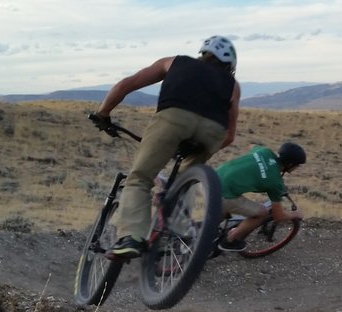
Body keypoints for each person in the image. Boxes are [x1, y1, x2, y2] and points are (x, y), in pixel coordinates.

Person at [91, 35, 241, 259]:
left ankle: (131, 237)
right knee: (182, 180)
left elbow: (126, 85)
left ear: (203, 53)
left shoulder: (172, 62)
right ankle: (174, 229)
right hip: (213, 131)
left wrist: (103, 113)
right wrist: (199, 155)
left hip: (172, 120)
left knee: (140, 178)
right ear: (230, 65)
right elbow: (229, 136)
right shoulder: (233, 86)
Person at [215, 142, 306, 251]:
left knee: (221, 211)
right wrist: (295, 214)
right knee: (262, 213)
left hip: (211, 179)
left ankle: (202, 232)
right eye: (298, 165)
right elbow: (279, 216)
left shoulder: (265, 151)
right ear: (290, 164)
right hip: (224, 194)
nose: (297, 167)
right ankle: (230, 240)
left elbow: (251, 145)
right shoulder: (276, 181)